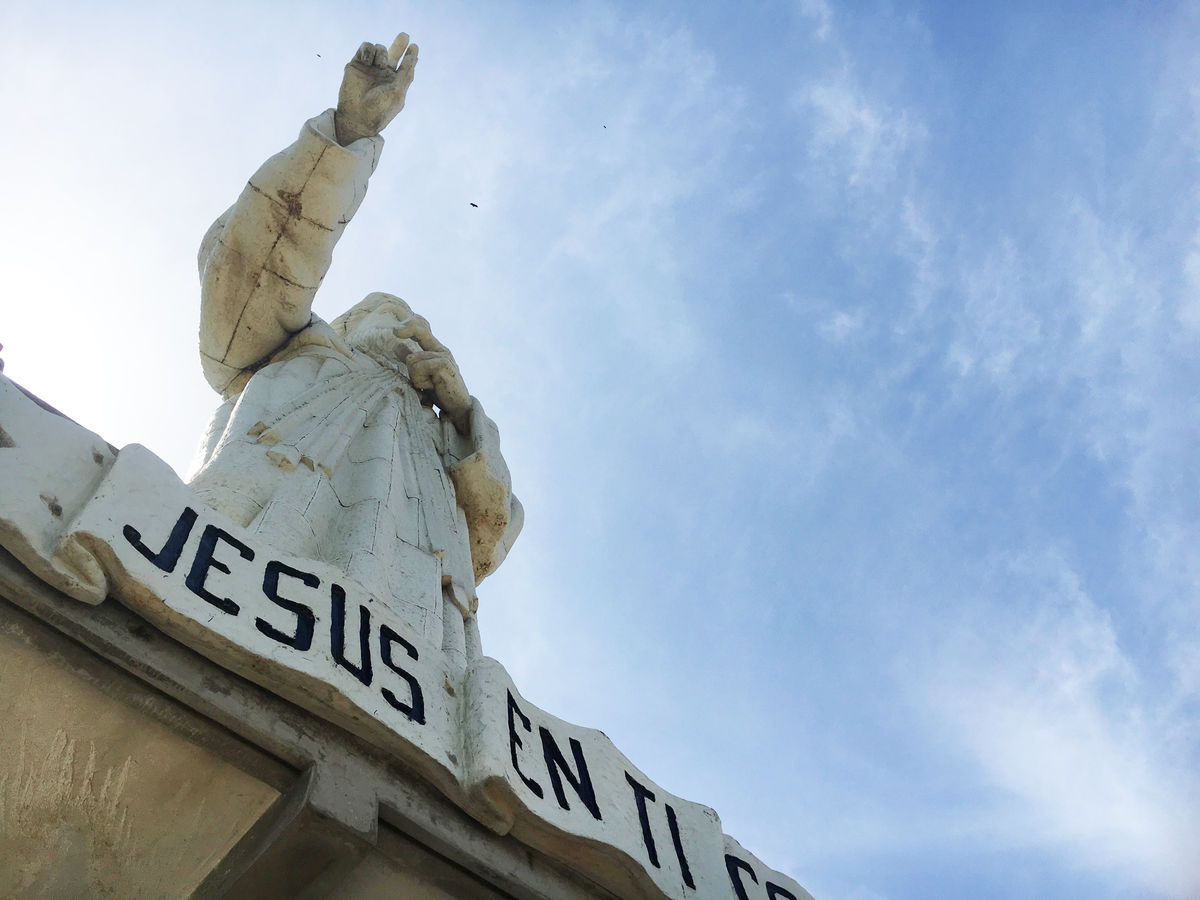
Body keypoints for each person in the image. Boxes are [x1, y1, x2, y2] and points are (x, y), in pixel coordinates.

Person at [187, 34, 521, 672]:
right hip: (235, 567)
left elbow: (492, 534)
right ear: (345, 322)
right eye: (388, 314)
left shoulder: (443, 442)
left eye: (418, 327)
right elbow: (251, 266)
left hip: (411, 647)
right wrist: (348, 133)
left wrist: (461, 415)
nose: (409, 330)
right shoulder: (295, 352)